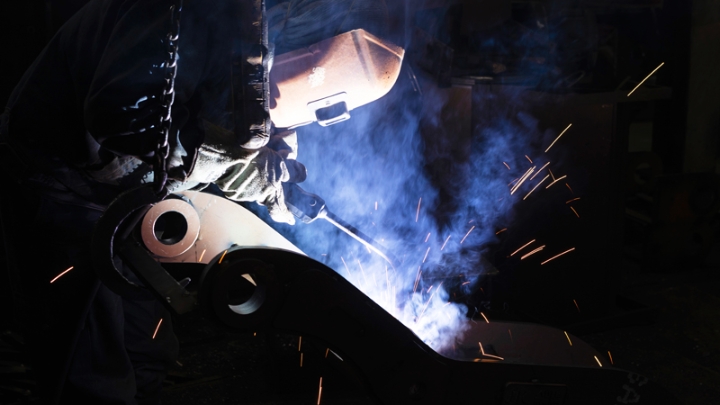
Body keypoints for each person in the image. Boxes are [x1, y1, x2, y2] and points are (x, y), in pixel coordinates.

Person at [0, 0, 389, 403]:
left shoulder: (262, 24)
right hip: (57, 180)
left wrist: (274, 160)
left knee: (145, 348)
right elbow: (128, 123)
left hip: (121, 194)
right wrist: (248, 173)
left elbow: (253, 105)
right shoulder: (184, 13)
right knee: (92, 370)